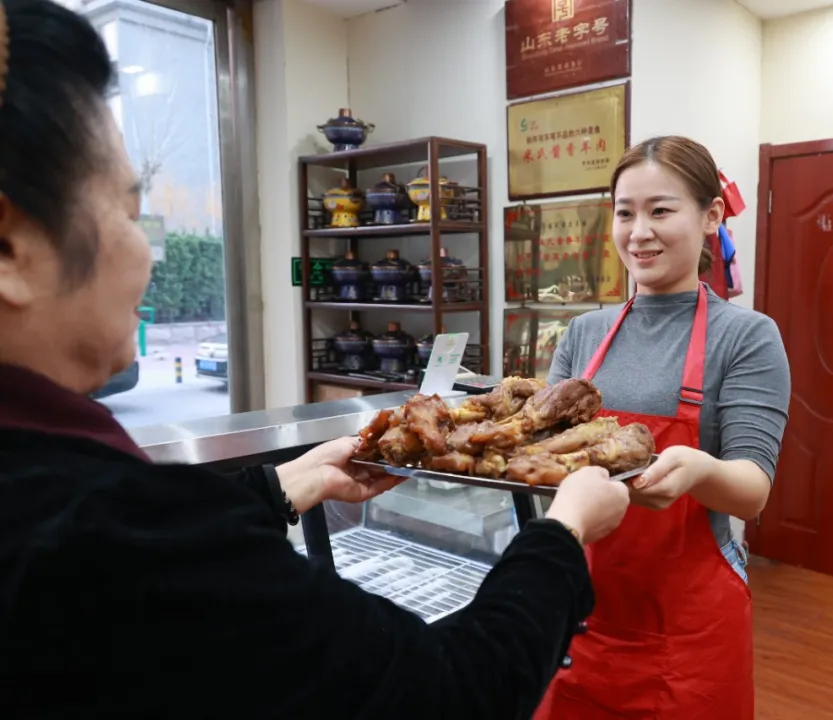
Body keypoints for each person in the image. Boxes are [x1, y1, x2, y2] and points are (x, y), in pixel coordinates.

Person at [0, 1, 630, 717]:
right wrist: (563, 527)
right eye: (125, 208)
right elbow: (453, 692)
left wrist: (281, 486)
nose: (146, 249)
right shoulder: (101, 534)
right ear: (9, 247)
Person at [533, 136, 792, 720]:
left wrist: (698, 469)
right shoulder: (584, 333)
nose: (638, 231)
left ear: (711, 216)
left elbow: (753, 490)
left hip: (689, 629)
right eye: (625, 212)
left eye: (661, 210)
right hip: (578, 608)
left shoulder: (747, 336)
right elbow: (544, 456)